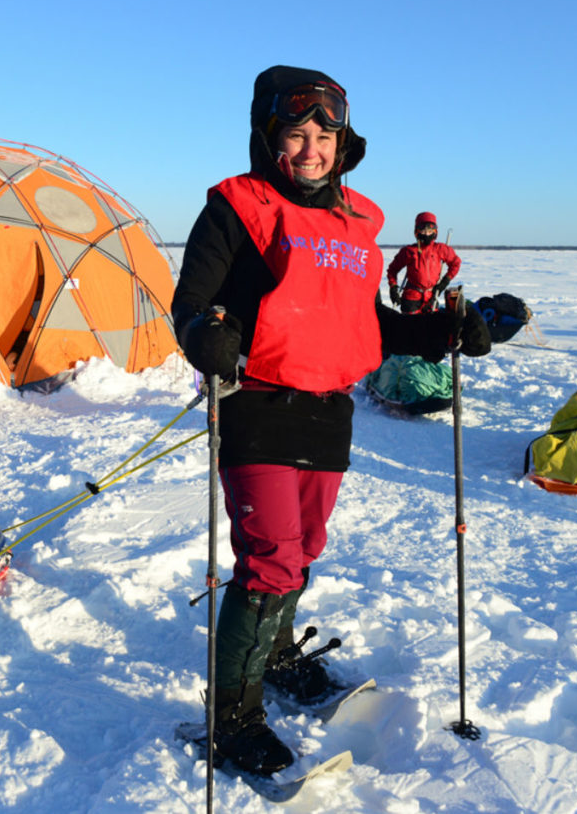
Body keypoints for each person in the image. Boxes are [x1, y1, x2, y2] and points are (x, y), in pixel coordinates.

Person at [171, 65, 491, 776]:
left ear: (343, 142)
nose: (312, 147)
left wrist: (444, 330)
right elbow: (189, 301)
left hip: (328, 411)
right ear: (268, 137)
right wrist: (206, 335)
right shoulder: (235, 208)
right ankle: (232, 718)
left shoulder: (358, 220)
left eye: (325, 133)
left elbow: (365, 321)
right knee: (272, 558)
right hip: (256, 402)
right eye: (296, 132)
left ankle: (277, 656)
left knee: (303, 546)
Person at [386, 212, 462, 313]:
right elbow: (392, 270)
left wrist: (445, 281)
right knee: (410, 327)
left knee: (431, 327)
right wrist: (393, 288)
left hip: (431, 297)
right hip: (411, 298)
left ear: (434, 232)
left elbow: (455, 263)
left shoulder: (440, 249)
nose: (426, 234)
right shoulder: (409, 251)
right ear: (417, 231)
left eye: (430, 231)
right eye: (423, 231)